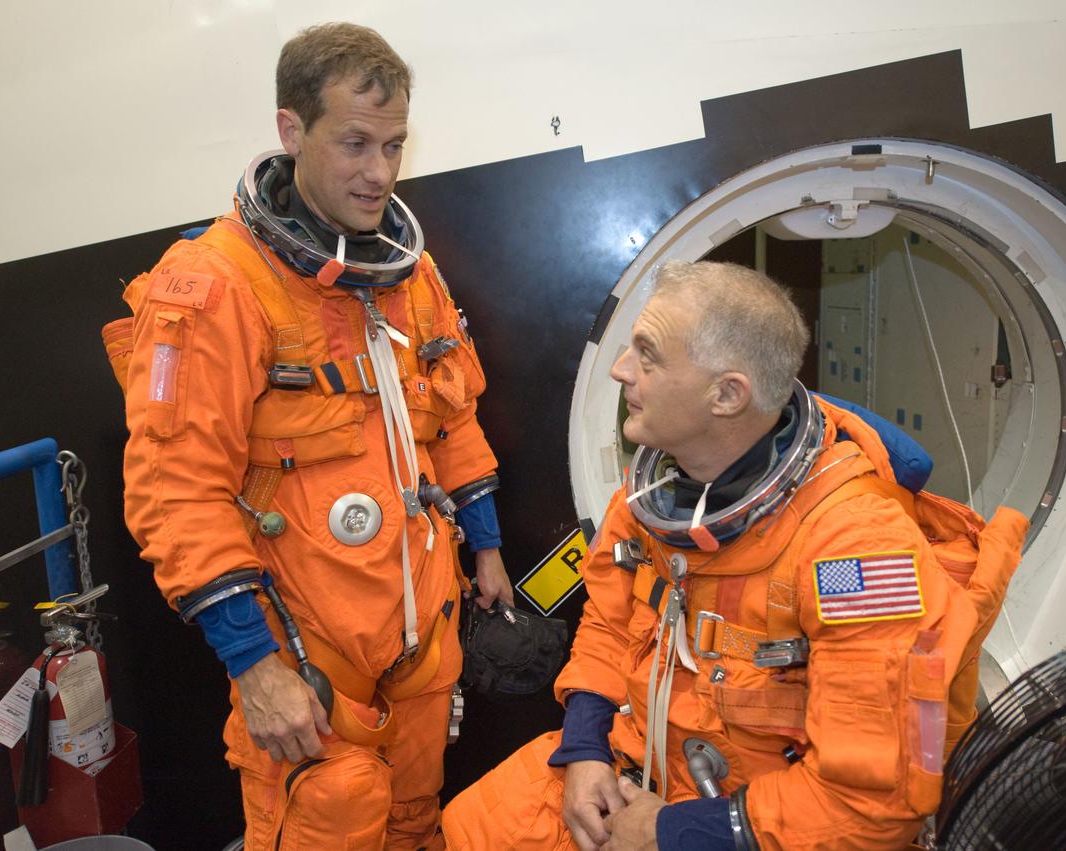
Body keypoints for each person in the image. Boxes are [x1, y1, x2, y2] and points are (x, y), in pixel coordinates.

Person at [440, 260, 1028, 850]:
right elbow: (610, 626)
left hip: (757, 822)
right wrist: (585, 750)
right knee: (472, 829)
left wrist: (671, 831)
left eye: (647, 355)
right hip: (639, 768)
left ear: (726, 395)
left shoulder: (858, 550)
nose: (621, 370)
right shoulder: (655, 497)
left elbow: (872, 804)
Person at [112, 22, 512, 850]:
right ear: (292, 131)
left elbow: (453, 405)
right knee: (328, 819)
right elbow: (174, 489)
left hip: (420, 634)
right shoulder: (216, 286)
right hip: (306, 653)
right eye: (356, 143)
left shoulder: (409, 272)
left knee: (414, 823)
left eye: (395, 145)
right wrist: (253, 666)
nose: (380, 173)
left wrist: (487, 545)